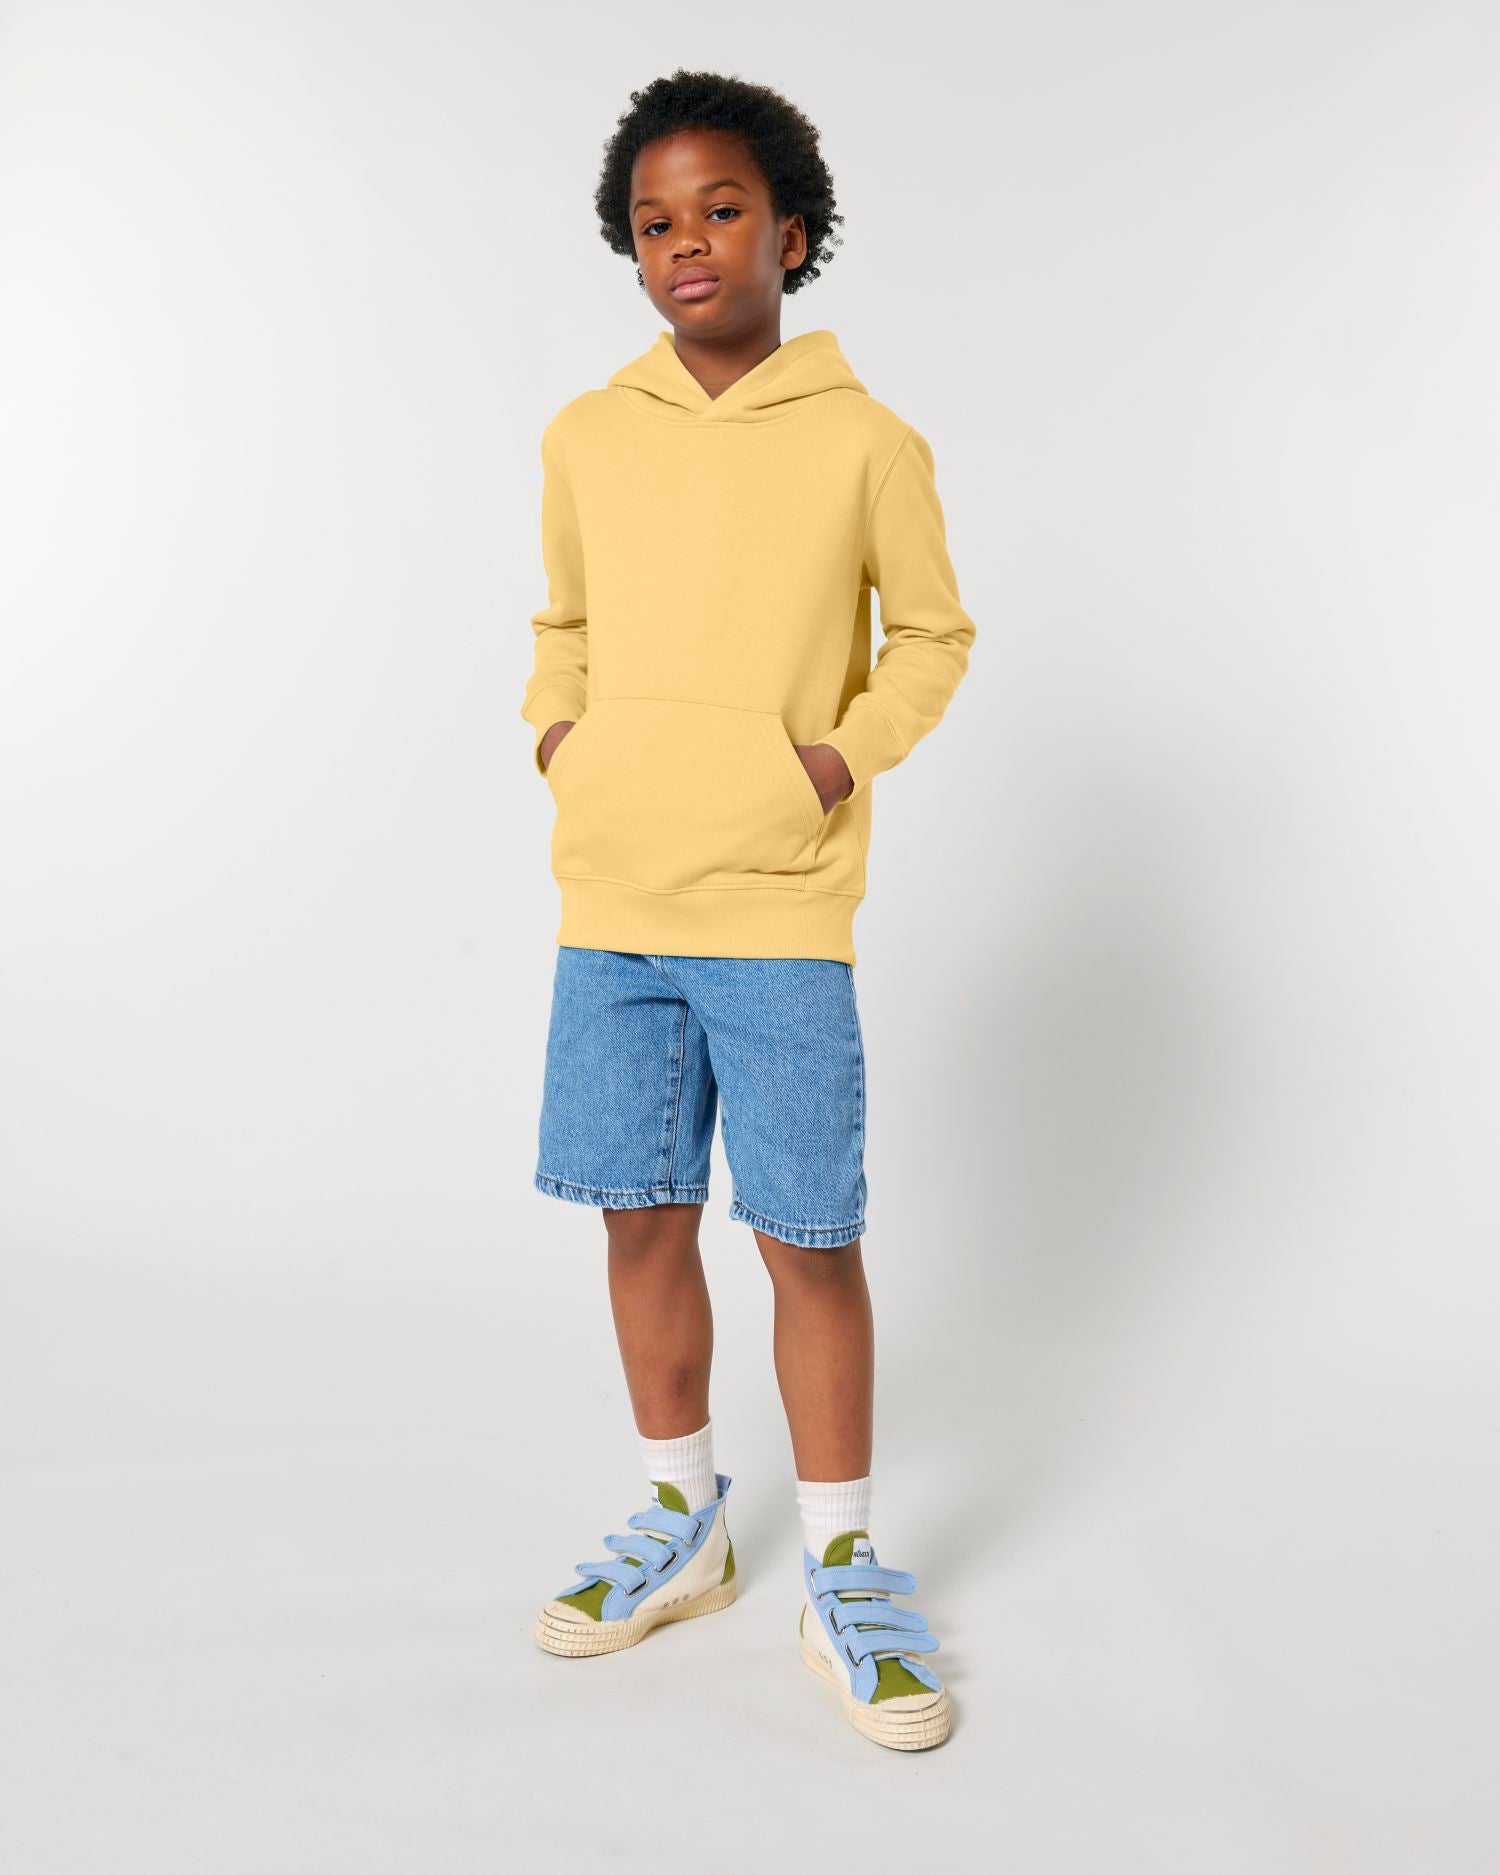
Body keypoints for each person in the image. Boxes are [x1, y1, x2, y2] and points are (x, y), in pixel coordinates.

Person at [520, 68, 976, 1752]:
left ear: (793, 232)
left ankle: (844, 1561)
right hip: (615, 901)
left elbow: (931, 635)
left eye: (722, 210)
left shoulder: (866, 441)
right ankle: (685, 1520)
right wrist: (562, 739)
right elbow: (563, 626)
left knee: (807, 1233)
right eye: (655, 223)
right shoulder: (586, 434)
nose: (688, 243)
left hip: (779, 906)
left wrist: (830, 765)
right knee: (636, 1215)